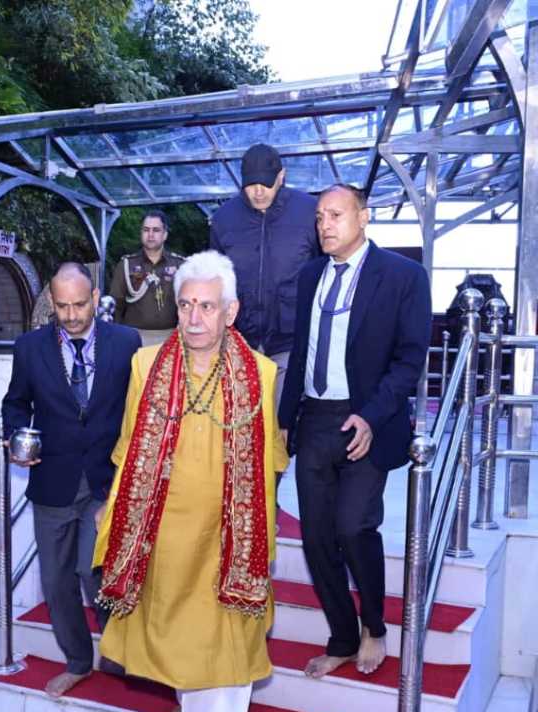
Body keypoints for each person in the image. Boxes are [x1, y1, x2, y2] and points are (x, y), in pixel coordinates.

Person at [93, 250, 288, 712]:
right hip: (162, 538)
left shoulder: (260, 374)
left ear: (231, 311)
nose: (194, 317)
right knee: (182, 654)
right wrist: (114, 513)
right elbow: (129, 444)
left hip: (230, 545)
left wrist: (246, 524)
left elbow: (269, 460)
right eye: (185, 304)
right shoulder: (145, 364)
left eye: (207, 306)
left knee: (223, 662)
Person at [278, 184, 432, 679]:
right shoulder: (309, 277)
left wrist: (370, 415)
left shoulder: (402, 276)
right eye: (320, 216)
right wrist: (286, 419)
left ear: (363, 218)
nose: (324, 224)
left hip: (369, 417)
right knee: (316, 538)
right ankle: (342, 637)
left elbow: (409, 361)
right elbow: (301, 352)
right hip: (316, 419)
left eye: (335, 215)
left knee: (354, 527)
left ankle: (375, 627)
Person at [2, 262, 141, 698]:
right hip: (53, 482)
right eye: (61, 306)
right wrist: (15, 436)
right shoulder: (29, 349)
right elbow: (15, 403)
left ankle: (122, 653)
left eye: (80, 304)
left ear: (95, 297)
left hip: (104, 483)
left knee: (92, 570)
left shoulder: (125, 343)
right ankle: (79, 661)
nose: (71, 314)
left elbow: (137, 409)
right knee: (56, 581)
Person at [209, 142, 320, 403]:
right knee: (242, 423)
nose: (258, 192)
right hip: (240, 342)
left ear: (282, 176)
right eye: (251, 184)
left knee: (282, 425)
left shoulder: (310, 212)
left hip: (292, 342)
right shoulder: (224, 219)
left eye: (266, 183)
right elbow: (215, 280)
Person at [109, 210, 184, 346]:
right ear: (141, 233)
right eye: (146, 230)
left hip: (171, 339)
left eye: (156, 230)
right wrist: (116, 339)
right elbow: (116, 306)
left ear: (165, 234)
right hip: (133, 338)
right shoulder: (126, 265)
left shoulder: (180, 265)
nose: (150, 235)